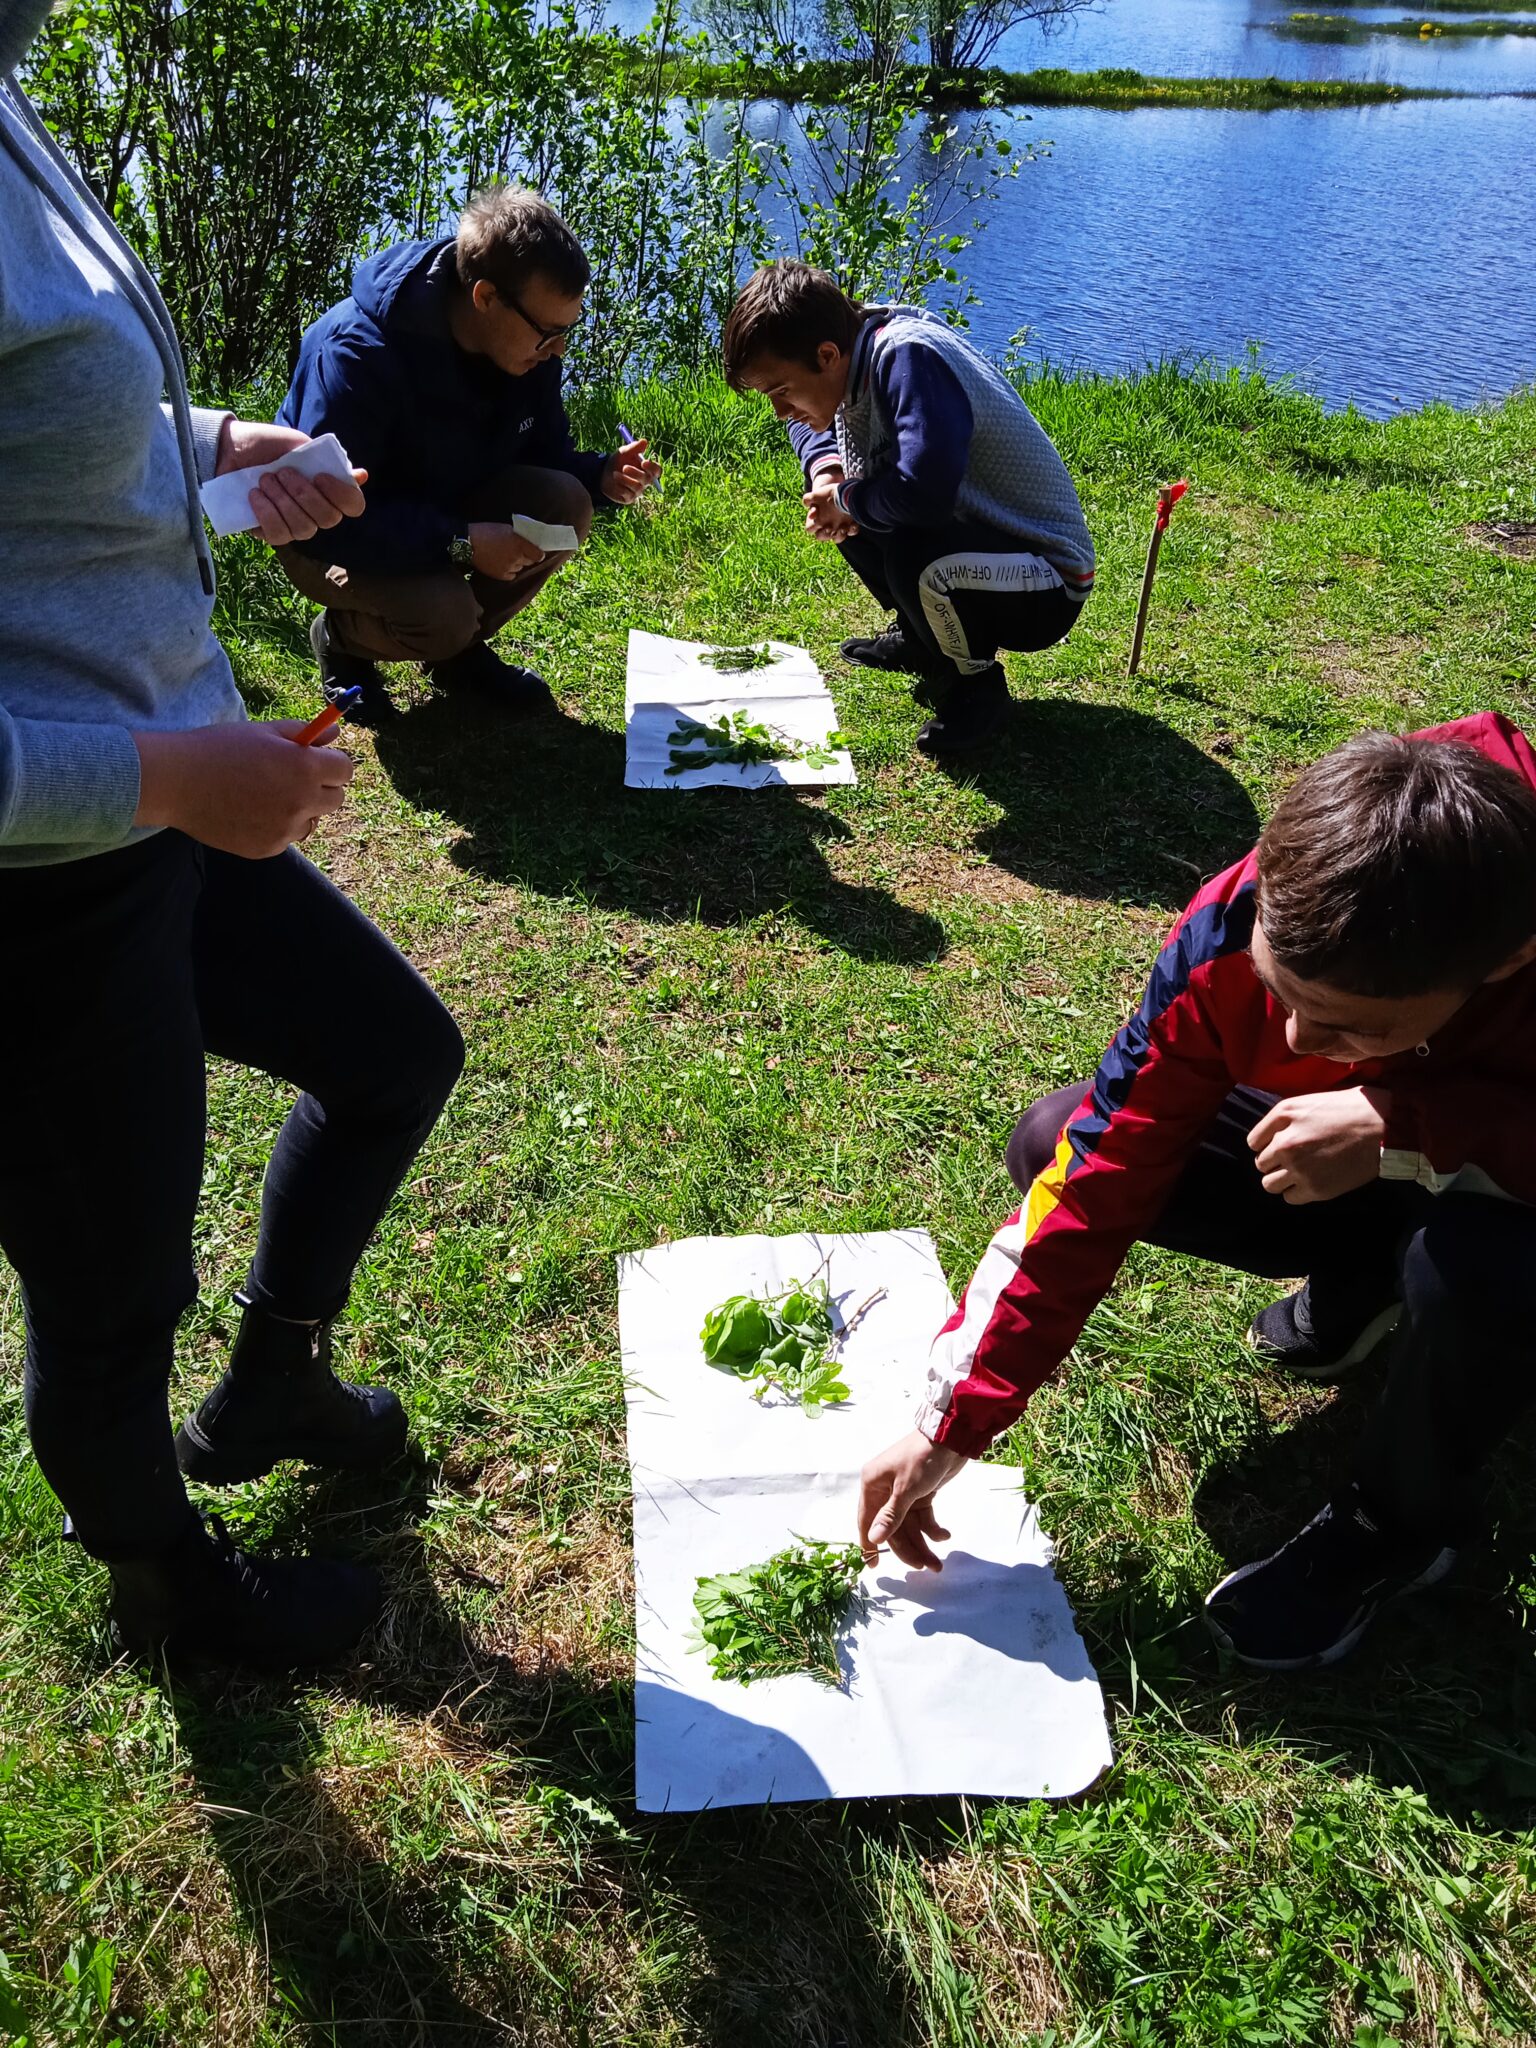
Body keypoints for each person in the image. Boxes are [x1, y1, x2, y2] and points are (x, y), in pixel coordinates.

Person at [1, 6, 465, 1671]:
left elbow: (44, 445)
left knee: (395, 1053)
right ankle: (167, 1589)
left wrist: (215, 457)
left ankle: (277, 1376)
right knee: (110, 1296)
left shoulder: (9, 98)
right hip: (41, 886)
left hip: (155, 810)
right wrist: (169, 776)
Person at [857, 715, 1536, 1670]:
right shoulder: (1238, 920)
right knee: (1057, 1138)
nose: (1295, 1046)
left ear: (1506, 963)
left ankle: (1397, 1524)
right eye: (1279, 992)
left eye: (1346, 1023)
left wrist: (1408, 1124)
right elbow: (1099, 1174)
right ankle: (1367, 1274)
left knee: (1474, 1271)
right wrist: (954, 1419)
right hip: (1425, 1148)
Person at [275, 186, 660, 724]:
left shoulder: (527, 348)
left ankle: (455, 655)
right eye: (550, 333)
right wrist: (461, 544)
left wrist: (601, 474)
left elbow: (546, 454)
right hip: (331, 536)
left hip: (443, 503)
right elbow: (325, 523)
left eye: (567, 331)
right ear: (484, 297)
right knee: (443, 613)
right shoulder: (358, 354)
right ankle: (342, 638)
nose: (560, 351)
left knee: (567, 505)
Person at [722, 261, 1094, 757]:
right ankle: (923, 641)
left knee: (912, 555)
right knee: (856, 513)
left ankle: (976, 687)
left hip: (1047, 580)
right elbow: (809, 425)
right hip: (979, 546)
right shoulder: (853, 345)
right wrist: (828, 473)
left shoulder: (908, 358)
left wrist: (846, 498)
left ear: (827, 355)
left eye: (781, 392)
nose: (780, 411)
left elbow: (923, 495)